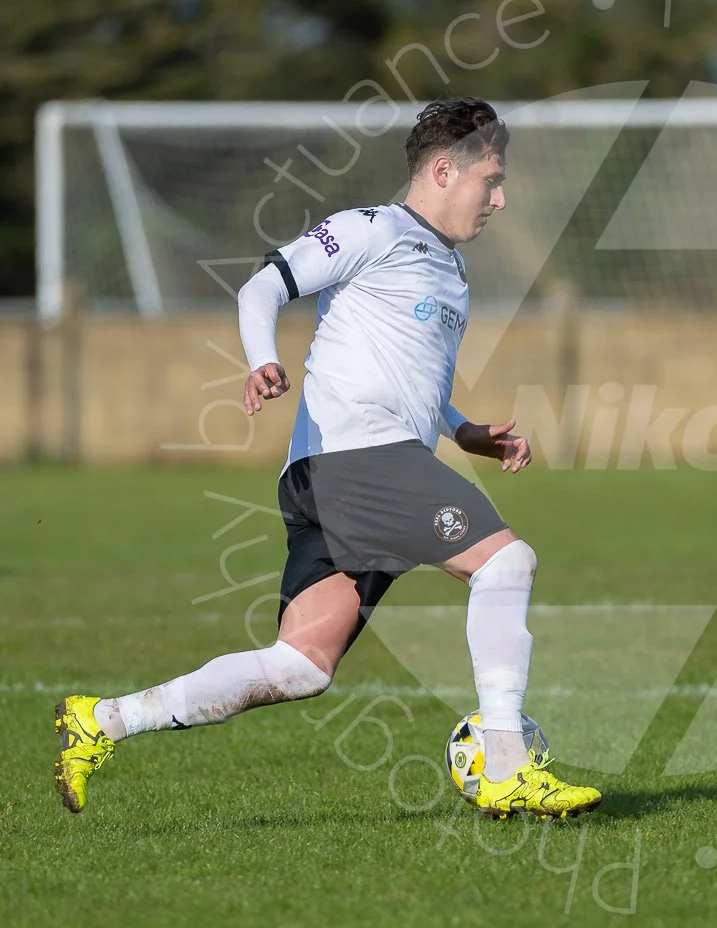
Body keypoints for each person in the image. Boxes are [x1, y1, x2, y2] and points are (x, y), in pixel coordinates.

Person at [54, 97, 602, 820]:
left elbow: (409, 381)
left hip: (342, 469)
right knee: (507, 562)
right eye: (490, 181)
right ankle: (504, 763)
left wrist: (465, 430)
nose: (498, 199)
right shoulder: (371, 230)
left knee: (299, 668)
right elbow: (262, 286)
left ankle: (102, 721)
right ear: (444, 169)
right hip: (354, 459)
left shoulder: (451, 273)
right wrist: (260, 361)